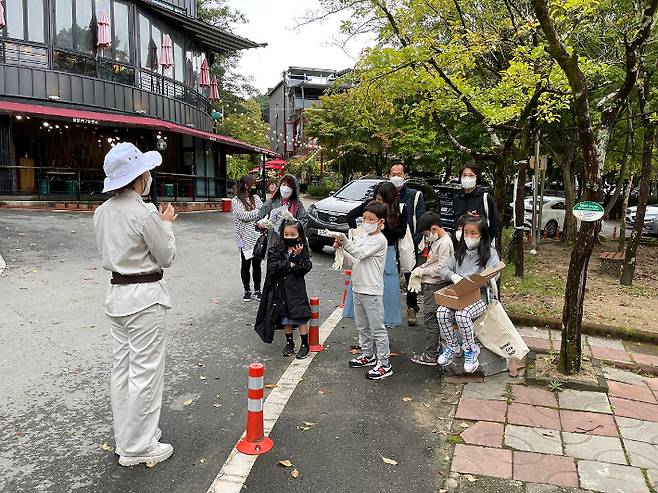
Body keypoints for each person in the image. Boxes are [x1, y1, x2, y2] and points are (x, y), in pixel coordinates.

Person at [93, 142, 177, 467]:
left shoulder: (102, 213)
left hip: (117, 296)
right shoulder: (143, 212)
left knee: (122, 370)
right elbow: (166, 256)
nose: (149, 176)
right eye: (146, 172)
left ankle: (126, 438)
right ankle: (138, 446)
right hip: (145, 297)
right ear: (138, 176)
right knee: (145, 372)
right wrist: (166, 224)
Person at [334, 201, 392, 380]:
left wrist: (345, 241)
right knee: (362, 326)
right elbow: (353, 259)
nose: (366, 222)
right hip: (358, 287)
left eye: (371, 219)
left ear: (380, 221)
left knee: (377, 329)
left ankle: (384, 364)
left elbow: (359, 254)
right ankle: (368, 354)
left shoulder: (380, 240)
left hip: (372, 291)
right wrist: (341, 249)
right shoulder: (363, 237)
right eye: (364, 218)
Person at [438, 215, 500, 373]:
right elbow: (444, 269)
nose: (469, 237)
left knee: (462, 315)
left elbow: (494, 273)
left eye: (474, 233)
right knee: (442, 312)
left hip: (480, 297)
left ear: (482, 234)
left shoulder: (489, 253)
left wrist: (477, 280)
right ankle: (453, 346)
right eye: (466, 233)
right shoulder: (460, 252)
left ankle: (470, 349)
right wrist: (454, 276)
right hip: (459, 296)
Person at [346, 182, 408, 327]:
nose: (380, 203)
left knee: (387, 288)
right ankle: (363, 322)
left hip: (388, 250)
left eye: (383, 201)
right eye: (378, 199)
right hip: (368, 249)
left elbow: (401, 232)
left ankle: (384, 324)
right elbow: (350, 216)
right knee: (362, 282)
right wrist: (358, 233)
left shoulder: (400, 209)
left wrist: (384, 229)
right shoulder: (370, 207)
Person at [254, 218, 313, 359]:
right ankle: (290, 342)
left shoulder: (302, 249)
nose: (290, 237)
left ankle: (305, 344)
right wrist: (291, 260)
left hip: (296, 290)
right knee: (285, 318)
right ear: (282, 234)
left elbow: (305, 268)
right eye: (287, 234)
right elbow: (273, 268)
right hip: (281, 290)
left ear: (299, 235)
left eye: (293, 235)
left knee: (300, 317)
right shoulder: (276, 249)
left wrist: (296, 259)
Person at [408, 212, 454, 366]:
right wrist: (422, 267)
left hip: (436, 285)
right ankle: (434, 351)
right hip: (431, 284)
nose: (426, 237)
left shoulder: (445, 243)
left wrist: (423, 271)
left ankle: (431, 355)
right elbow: (432, 262)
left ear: (434, 229)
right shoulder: (439, 241)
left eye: (426, 234)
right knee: (434, 319)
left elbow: (442, 268)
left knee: (431, 319)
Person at [389, 162, 426, 326]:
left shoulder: (415, 195)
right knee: (390, 274)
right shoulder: (386, 194)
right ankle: (389, 308)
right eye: (393, 174)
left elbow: (421, 218)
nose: (396, 177)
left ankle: (411, 307)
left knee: (411, 275)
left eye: (399, 174)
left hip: (409, 240)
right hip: (390, 239)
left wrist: (417, 240)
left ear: (405, 176)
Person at [232, 175, 264, 302]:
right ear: (246, 185)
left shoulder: (255, 198)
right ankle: (247, 290)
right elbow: (242, 215)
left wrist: (256, 213)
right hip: (242, 239)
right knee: (245, 265)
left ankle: (257, 290)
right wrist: (256, 212)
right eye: (253, 184)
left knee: (257, 265)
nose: (255, 186)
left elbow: (263, 211)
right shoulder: (236, 200)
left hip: (257, 238)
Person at [258, 174, 307, 248]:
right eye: (283, 184)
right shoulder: (270, 202)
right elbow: (258, 220)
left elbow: (304, 222)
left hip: (292, 246)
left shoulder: (297, 205)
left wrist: (294, 221)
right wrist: (261, 224)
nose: (286, 188)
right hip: (273, 245)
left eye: (289, 186)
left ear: (294, 188)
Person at [452, 163, 500, 239]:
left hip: (481, 243)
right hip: (461, 244)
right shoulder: (457, 198)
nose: (467, 178)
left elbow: (494, 221)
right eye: (464, 175)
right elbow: (455, 221)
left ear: (477, 178)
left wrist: (487, 241)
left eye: (471, 175)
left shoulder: (485, 197)